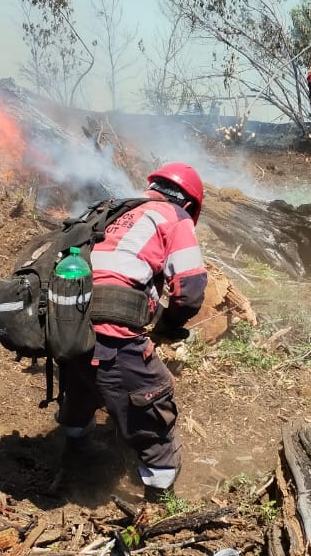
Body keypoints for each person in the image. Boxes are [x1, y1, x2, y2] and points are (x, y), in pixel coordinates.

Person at [57, 163, 208, 502]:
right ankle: (159, 498)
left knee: (83, 381)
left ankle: (75, 452)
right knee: (153, 401)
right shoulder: (175, 216)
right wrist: (169, 325)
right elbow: (191, 287)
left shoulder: (113, 208)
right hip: (111, 327)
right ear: (190, 204)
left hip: (67, 320)